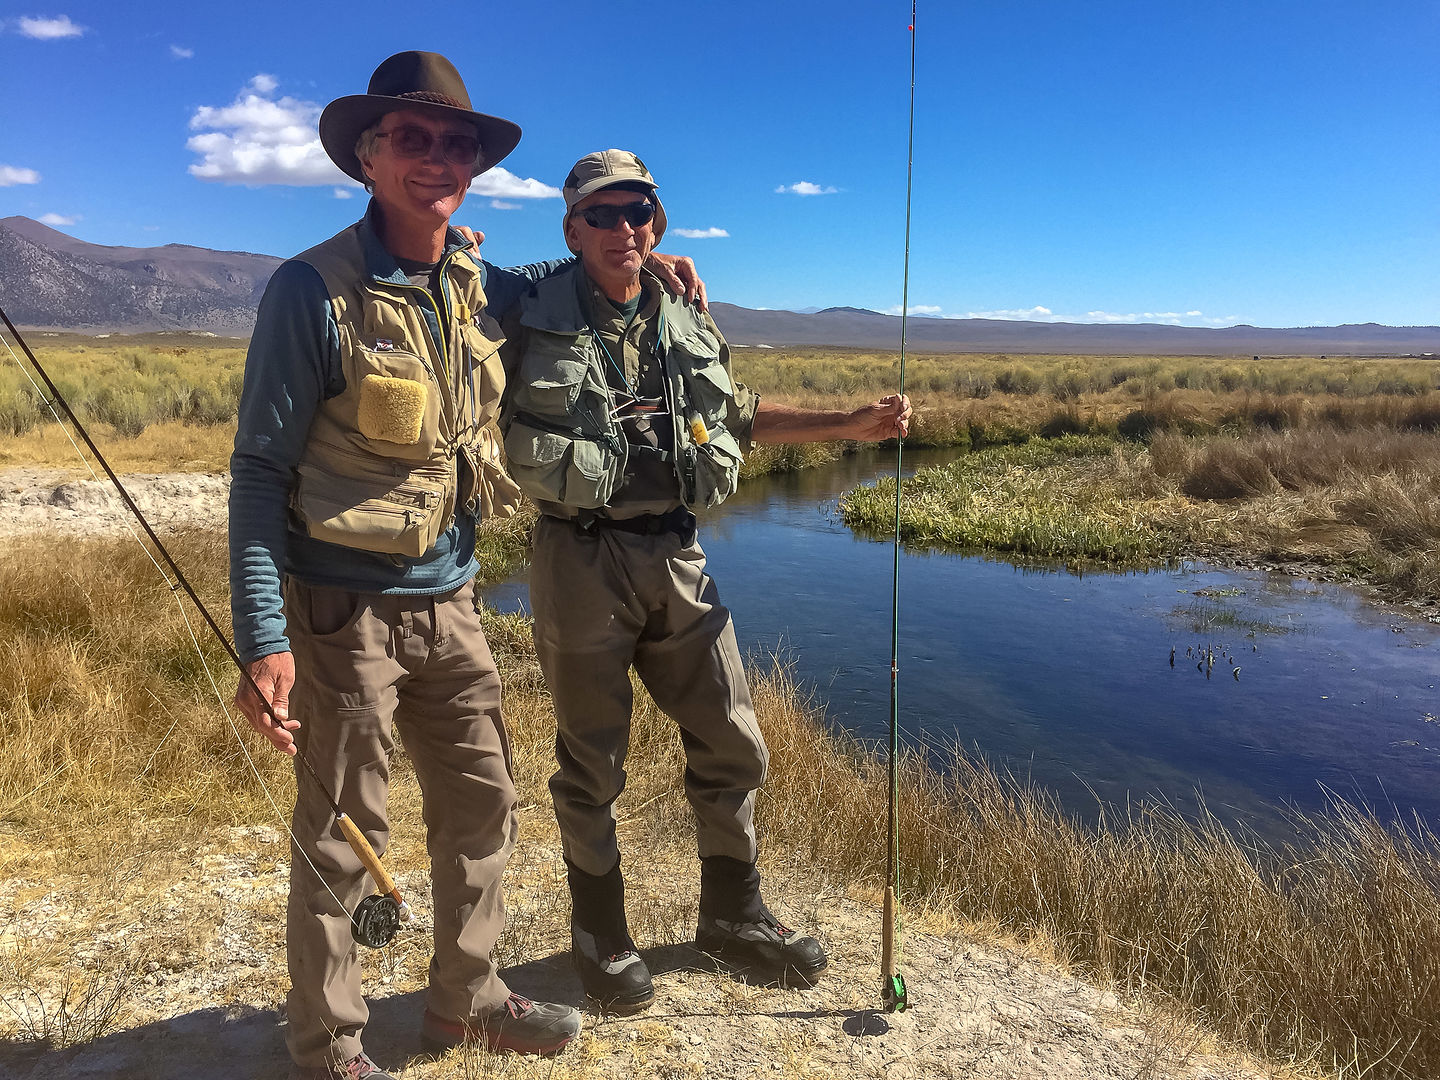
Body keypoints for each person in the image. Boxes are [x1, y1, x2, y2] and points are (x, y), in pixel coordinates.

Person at [229, 57, 699, 1080]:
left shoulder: (481, 284)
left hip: (454, 602)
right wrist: (264, 638)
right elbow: (259, 475)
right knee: (348, 837)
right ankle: (331, 1047)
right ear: (367, 153)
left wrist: (650, 266)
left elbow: (575, 275)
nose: (437, 159)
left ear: (475, 167)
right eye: (412, 138)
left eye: (455, 145)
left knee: (483, 808)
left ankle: (466, 999)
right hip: (339, 610)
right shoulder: (311, 291)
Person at [499, 150, 912, 1014]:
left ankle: (733, 916)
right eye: (603, 215)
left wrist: (852, 422)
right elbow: (437, 271)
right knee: (591, 760)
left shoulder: (684, 313)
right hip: (580, 557)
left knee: (733, 738)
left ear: (659, 222)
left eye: (640, 213)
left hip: (678, 554)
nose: (626, 229)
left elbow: (741, 414)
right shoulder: (523, 308)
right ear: (571, 227)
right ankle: (598, 931)